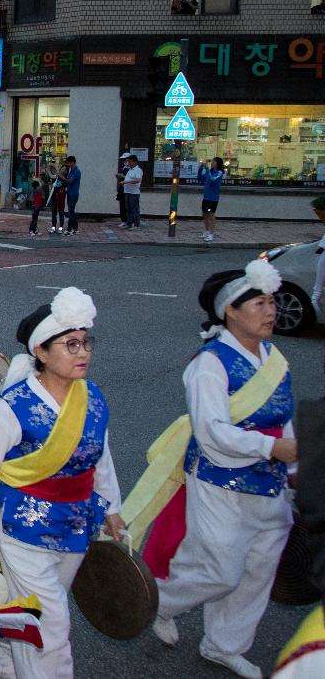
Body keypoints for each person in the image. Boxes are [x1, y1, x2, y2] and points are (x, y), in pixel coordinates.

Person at [0, 286, 124, 679]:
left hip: (77, 523)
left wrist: (113, 507)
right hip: (24, 527)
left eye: (86, 342)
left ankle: (7, 659)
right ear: (40, 351)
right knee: (50, 627)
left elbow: (100, 456)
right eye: (70, 345)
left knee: (36, 607)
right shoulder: (13, 406)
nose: (83, 352)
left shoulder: (94, 398)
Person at [121, 261, 296, 679]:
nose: (270, 310)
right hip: (220, 481)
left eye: (272, 301)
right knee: (221, 569)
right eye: (259, 302)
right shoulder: (209, 364)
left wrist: (294, 468)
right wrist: (272, 447)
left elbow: (285, 416)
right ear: (231, 311)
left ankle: (224, 644)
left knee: (258, 570)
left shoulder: (273, 358)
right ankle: (158, 601)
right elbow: (212, 433)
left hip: (270, 483)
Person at [199, 157, 225, 242]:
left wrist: (206, 169)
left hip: (213, 198)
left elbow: (212, 180)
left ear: (218, 163)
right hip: (206, 197)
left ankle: (211, 234)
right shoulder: (209, 172)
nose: (212, 163)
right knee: (204, 214)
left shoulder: (219, 173)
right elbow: (200, 179)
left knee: (211, 215)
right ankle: (206, 231)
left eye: (214, 162)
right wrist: (200, 168)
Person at [120, 154, 143, 230]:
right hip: (127, 191)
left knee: (134, 209)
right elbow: (128, 178)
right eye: (128, 162)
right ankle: (129, 223)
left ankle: (136, 225)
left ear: (135, 162)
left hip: (134, 193)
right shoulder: (130, 170)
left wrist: (125, 182)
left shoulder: (138, 170)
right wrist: (122, 178)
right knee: (128, 208)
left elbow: (138, 180)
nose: (129, 163)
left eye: (130, 162)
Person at [62, 155, 81, 235]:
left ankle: (70, 229)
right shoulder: (71, 170)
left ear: (72, 162)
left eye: (68, 163)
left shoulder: (77, 171)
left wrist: (62, 177)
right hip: (69, 193)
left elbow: (70, 181)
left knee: (70, 212)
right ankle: (75, 229)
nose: (67, 165)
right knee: (71, 212)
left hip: (74, 194)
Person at [48, 162, 68, 235]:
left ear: (67, 172)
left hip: (61, 198)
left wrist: (61, 178)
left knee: (61, 213)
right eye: (62, 169)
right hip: (54, 197)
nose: (63, 171)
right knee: (54, 213)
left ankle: (60, 228)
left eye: (65, 170)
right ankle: (53, 228)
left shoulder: (66, 179)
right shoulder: (56, 177)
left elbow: (66, 185)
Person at [115, 152, 130, 226]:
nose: (124, 161)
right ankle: (124, 220)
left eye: (125, 159)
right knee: (122, 205)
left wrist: (121, 175)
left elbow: (130, 178)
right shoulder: (125, 168)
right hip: (122, 189)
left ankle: (126, 221)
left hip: (126, 190)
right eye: (123, 159)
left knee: (125, 206)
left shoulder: (130, 169)